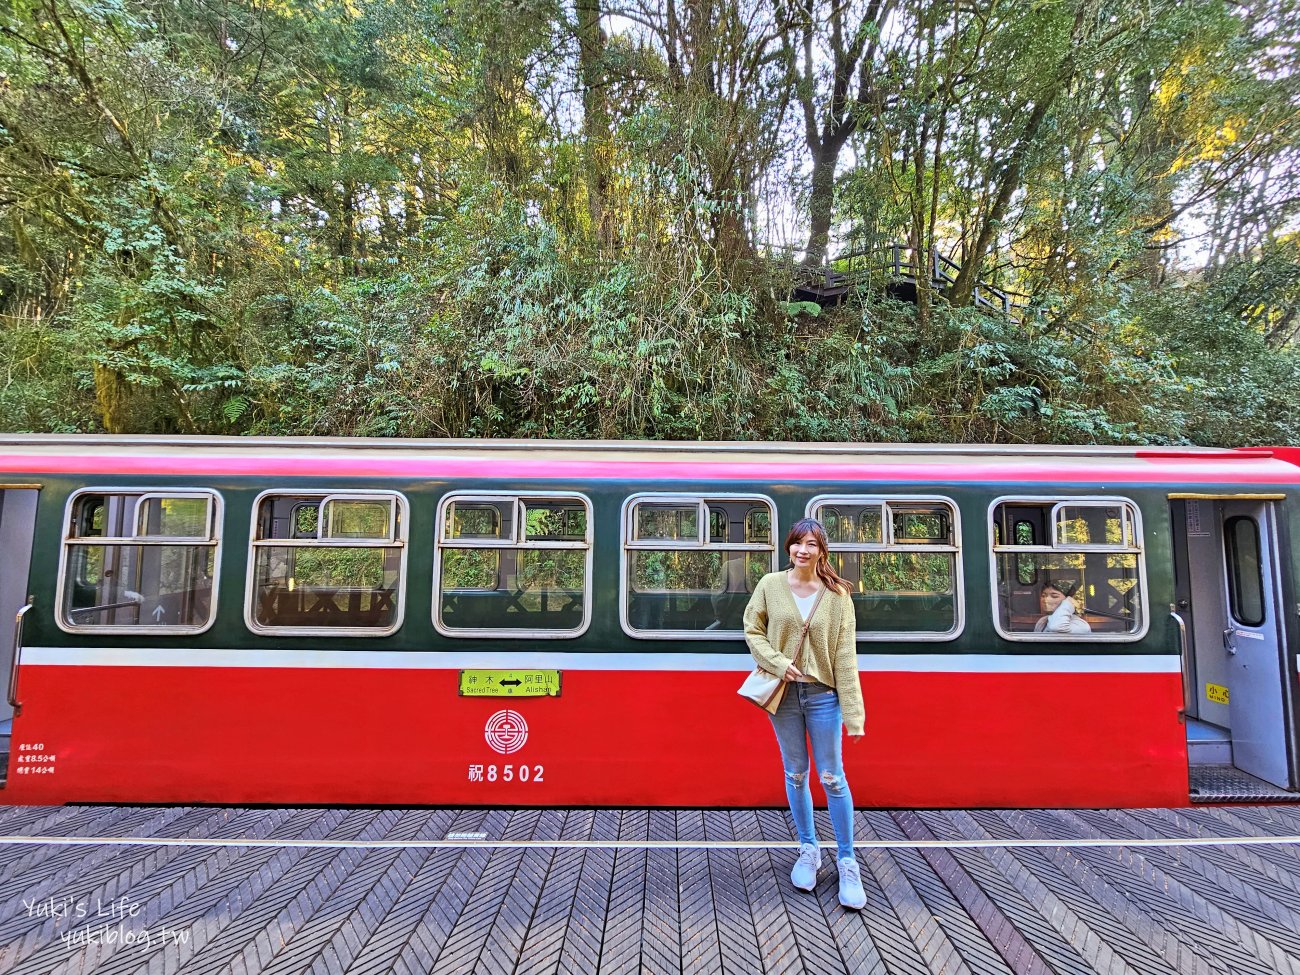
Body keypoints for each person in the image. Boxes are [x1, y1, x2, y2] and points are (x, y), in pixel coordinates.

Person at [743, 517, 867, 910]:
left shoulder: (837, 595)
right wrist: (778, 663)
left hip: (823, 696)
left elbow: (846, 658)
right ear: (789, 548)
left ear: (821, 550)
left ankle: (847, 860)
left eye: (811, 544)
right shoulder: (770, 585)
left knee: (832, 776)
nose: (803, 550)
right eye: (798, 543)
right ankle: (808, 849)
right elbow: (752, 630)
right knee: (795, 773)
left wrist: (854, 715)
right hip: (783, 695)